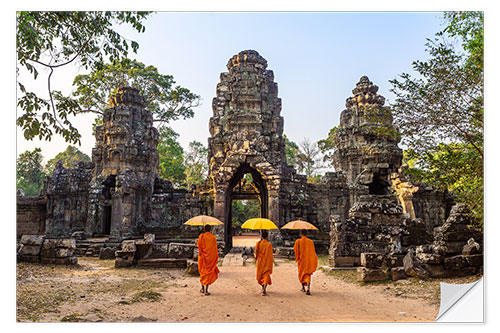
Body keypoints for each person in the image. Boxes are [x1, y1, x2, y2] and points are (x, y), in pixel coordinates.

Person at [197, 224, 220, 295]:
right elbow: (215, 249)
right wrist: (215, 257)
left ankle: (202, 288)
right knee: (208, 273)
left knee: (202, 272)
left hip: (202, 258)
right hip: (210, 258)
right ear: (210, 229)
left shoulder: (201, 237)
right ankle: (206, 290)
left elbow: (199, 246)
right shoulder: (213, 238)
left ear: (204, 229)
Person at [293, 229, 318, 295]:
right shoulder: (310, 242)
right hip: (308, 260)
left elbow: (296, 250)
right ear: (307, 234)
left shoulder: (298, 241)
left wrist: (297, 257)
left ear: (301, 233)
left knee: (302, 273)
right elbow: (313, 252)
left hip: (302, 260)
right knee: (308, 274)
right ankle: (308, 288)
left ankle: (303, 287)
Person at [254, 230, 274, 296]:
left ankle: (263, 288)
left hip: (260, 262)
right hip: (267, 262)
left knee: (261, 275)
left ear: (262, 236)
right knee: (266, 275)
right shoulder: (269, 244)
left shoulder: (258, 243)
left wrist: (256, 258)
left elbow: (256, 252)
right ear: (267, 236)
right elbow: (271, 255)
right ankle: (264, 288)